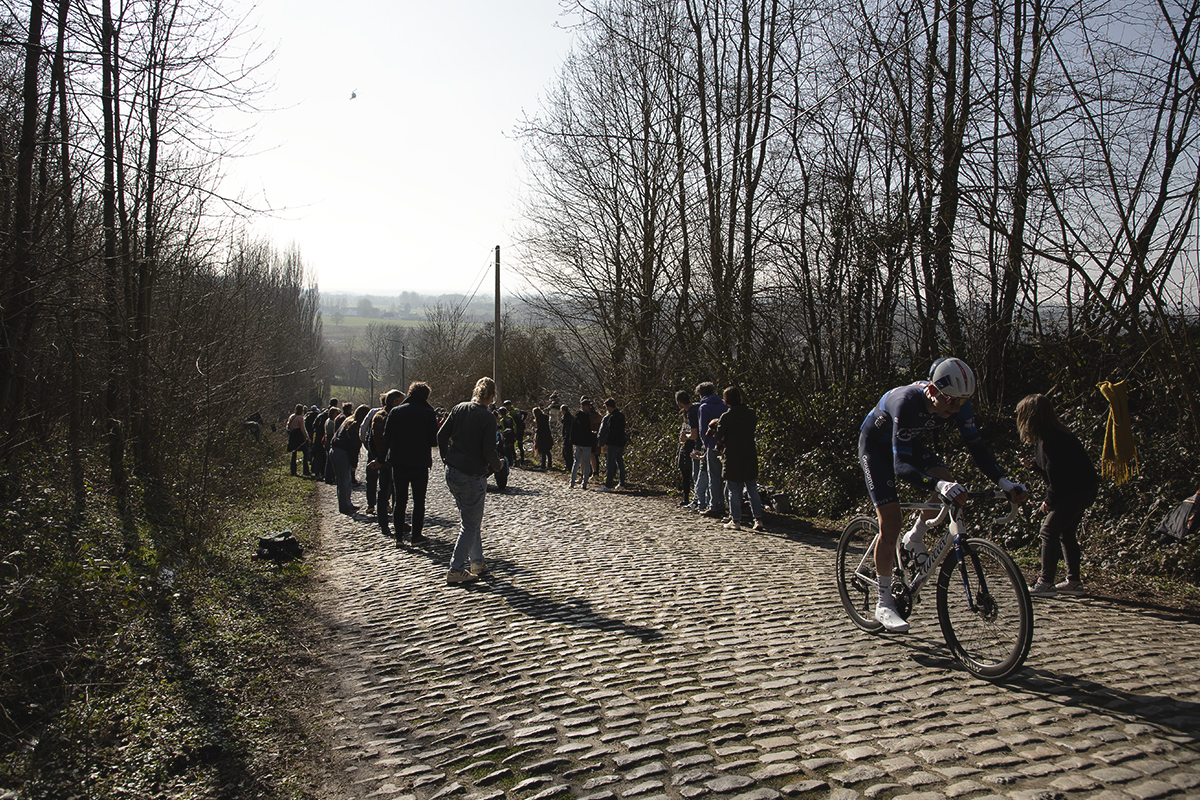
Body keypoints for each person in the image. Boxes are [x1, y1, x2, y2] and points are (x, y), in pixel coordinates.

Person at [858, 357, 1028, 632]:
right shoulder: (906, 402)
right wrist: (937, 486)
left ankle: (915, 537)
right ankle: (884, 601)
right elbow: (901, 466)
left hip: (908, 441)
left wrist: (1003, 481)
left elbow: (977, 447)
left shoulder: (956, 401)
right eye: (951, 402)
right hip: (875, 448)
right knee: (891, 522)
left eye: (962, 402)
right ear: (933, 391)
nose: (957, 408)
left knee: (946, 480)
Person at [1017, 393, 1099, 596]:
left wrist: (1049, 501)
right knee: (1066, 533)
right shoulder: (1053, 436)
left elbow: (1059, 476)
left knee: (1048, 532)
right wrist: (1034, 466)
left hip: (1075, 492)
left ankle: (1045, 583)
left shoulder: (1051, 440)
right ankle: (1074, 581)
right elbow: (1055, 468)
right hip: (1083, 490)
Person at [437, 377, 506, 584]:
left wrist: (445, 458)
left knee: (469, 519)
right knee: (470, 523)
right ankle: (456, 569)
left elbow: (441, 435)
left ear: (476, 391)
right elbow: (488, 451)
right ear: (493, 395)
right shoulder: (487, 418)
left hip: (452, 471)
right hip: (471, 476)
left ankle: (477, 562)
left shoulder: (459, 408)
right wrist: (499, 465)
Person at [386, 382, 439, 545]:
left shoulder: (396, 411)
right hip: (419, 462)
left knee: (400, 499)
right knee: (419, 500)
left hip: (399, 461)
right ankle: (416, 535)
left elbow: (386, 435)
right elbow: (433, 440)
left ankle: (399, 537)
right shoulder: (428, 412)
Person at [714, 386, 765, 531]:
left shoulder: (727, 417)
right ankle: (758, 519)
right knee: (752, 488)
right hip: (749, 454)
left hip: (733, 455)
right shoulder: (751, 414)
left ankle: (735, 520)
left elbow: (719, 435)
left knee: (734, 490)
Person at [367, 389, 404, 536]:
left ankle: (384, 523)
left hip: (382, 458)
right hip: (391, 459)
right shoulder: (393, 416)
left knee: (383, 491)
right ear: (395, 402)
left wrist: (376, 457)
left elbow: (370, 438)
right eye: (401, 400)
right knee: (395, 492)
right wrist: (382, 459)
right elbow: (391, 440)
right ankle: (395, 522)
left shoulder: (377, 416)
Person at [329, 405, 369, 515]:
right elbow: (354, 447)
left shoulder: (348, 421)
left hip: (335, 450)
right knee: (344, 481)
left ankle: (346, 503)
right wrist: (354, 464)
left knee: (343, 481)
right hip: (342, 453)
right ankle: (345, 506)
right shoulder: (355, 427)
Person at [696, 382, 728, 519]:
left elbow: (703, 429)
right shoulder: (724, 404)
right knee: (727, 477)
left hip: (712, 445)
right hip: (726, 445)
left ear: (701, 394)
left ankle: (715, 506)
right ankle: (727, 504)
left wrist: (707, 444)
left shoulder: (704, 407)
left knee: (714, 477)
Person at [674, 391, 700, 507]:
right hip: (684, 448)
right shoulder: (689, 415)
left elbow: (691, 436)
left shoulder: (693, 412)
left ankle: (694, 498)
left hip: (690, 447)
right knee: (686, 474)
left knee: (692, 474)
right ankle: (687, 497)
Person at [597, 397, 627, 491]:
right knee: (620, 464)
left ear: (609, 407)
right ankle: (621, 483)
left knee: (610, 464)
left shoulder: (612, 417)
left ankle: (608, 485)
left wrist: (607, 444)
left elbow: (611, 432)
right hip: (621, 443)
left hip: (613, 443)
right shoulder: (621, 415)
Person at [570, 398, 598, 489]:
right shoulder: (587, 417)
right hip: (586, 442)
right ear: (583, 406)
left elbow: (573, 429)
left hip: (579, 442)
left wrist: (573, 440)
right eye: (587, 406)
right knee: (585, 463)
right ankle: (584, 482)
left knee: (577, 462)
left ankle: (572, 481)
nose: (589, 407)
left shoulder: (576, 416)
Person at [286, 404, 309, 476]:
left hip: (293, 436)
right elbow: (303, 429)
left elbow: (288, 426)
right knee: (305, 452)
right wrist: (307, 437)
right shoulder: (301, 418)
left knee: (294, 453)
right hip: (299, 436)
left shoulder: (292, 417)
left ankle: (293, 470)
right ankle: (305, 470)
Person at [533, 406, 553, 470]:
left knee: (543, 452)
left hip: (542, 438)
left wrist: (535, 430)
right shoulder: (545, 418)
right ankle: (549, 464)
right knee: (548, 451)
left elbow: (540, 430)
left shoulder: (539, 419)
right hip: (548, 436)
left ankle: (543, 465)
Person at [559, 404, 574, 472]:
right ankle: (568, 466)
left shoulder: (567, 418)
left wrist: (565, 437)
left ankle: (569, 467)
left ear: (562, 410)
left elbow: (567, 429)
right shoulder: (568, 417)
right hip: (568, 437)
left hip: (567, 438)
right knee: (566, 453)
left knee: (567, 453)